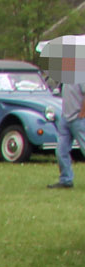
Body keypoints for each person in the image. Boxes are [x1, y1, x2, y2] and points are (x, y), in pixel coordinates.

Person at [51, 38, 83, 190]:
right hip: (66, 117)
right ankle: (66, 180)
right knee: (61, 151)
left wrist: (82, 113)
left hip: (79, 118)